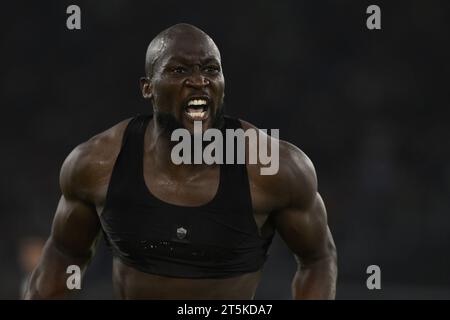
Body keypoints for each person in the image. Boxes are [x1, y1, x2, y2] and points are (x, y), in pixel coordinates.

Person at [24, 23, 337, 299]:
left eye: (211, 69)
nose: (199, 81)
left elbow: (318, 259)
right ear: (148, 88)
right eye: (180, 70)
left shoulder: (274, 167)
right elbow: (65, 255)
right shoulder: (96, 164)